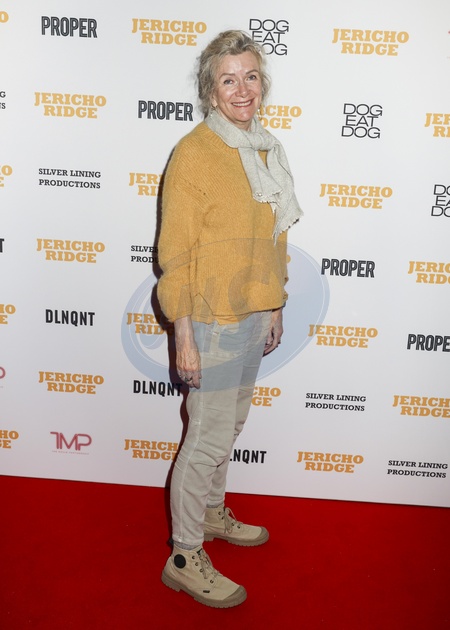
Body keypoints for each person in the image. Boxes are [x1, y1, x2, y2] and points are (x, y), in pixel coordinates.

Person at [157, 30, 302, 608]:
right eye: (228, 79)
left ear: (262, 83)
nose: (242, 89)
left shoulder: (266, 149)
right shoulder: (194, 153)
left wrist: (274, 302)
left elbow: (273, 238)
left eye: (250, 76)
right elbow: (176, 254)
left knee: (229, 427)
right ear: (210, 90)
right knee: (207, 437)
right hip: (211, 320)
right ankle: (184, 554)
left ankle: (212, 513)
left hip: (252, 313)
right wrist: (184, 336)